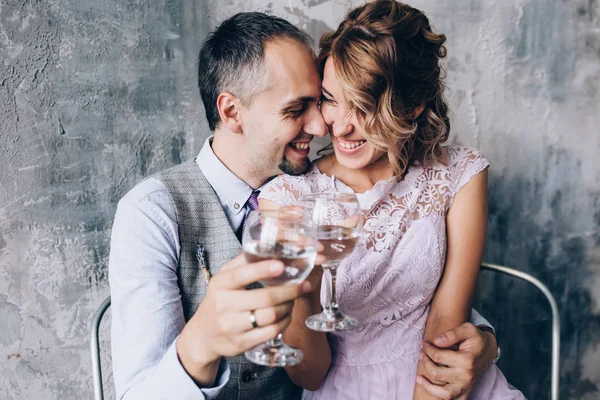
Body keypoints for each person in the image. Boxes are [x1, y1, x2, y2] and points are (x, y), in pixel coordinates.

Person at [109, 10, 501, 400]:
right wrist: (201, 342)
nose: (322, 127)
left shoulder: (311, 188)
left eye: (320, 102)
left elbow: (403, 294)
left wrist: (484, 340)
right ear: (231, 112)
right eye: (298, 109)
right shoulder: (153, 213)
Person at [259, 1, 525, 399]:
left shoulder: (459, 174)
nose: (341, 126)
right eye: (331, 99)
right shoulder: (288, 197)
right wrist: (307, 288)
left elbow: (445, 328)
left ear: (414, 105)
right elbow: (309, 374)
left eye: (364, 107)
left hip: (444, 384)